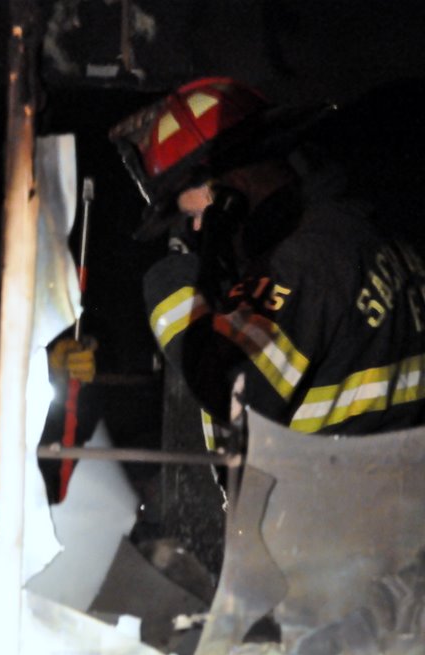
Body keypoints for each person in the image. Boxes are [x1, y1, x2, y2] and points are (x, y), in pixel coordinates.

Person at [109, 76, 425, 446]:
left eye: (194, 215)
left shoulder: (299, 266)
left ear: (230, 194)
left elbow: (229, 400)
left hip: (329, 482)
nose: (194, 229)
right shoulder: (352, 232)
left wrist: (172, 283)